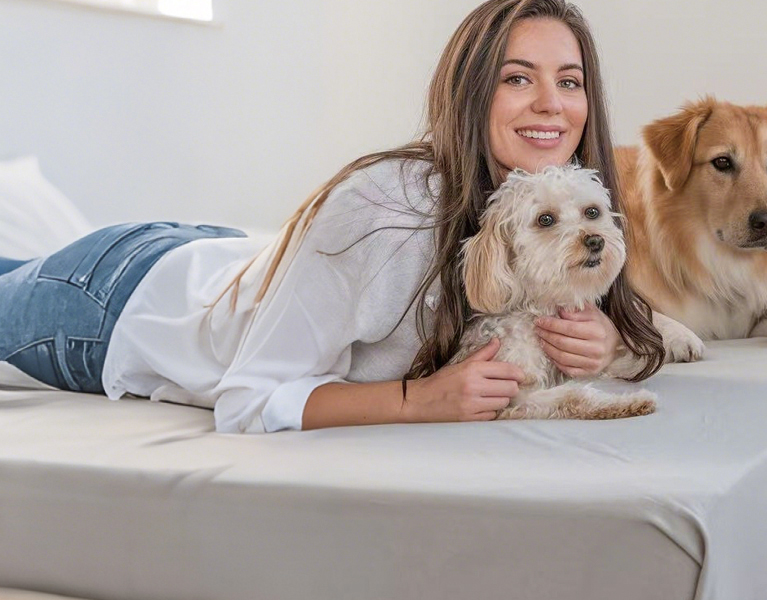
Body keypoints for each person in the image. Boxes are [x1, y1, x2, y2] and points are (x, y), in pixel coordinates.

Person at [0, 0, 664, 433]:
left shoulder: (552, 203)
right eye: (518, 78)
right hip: (109, 305)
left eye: (569, 81)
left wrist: (604, 345)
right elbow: (248, 399)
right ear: (471, 92)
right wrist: (420, 402)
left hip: (223, 258)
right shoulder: (384, 211)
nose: (551, 104)